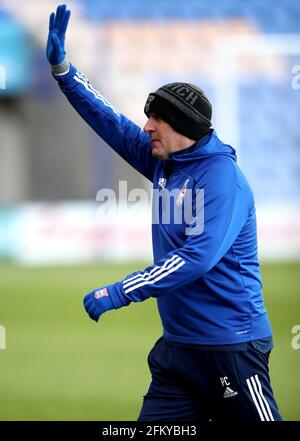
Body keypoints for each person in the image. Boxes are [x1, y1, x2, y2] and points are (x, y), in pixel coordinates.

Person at [46, 4, 282, 421]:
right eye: (149, 116)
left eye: (157, 118)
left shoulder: (222, 179)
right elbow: (108, 119)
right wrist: (65, 71)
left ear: (184, 127)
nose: (148, 125)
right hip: (178, 352)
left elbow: (198, 257)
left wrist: (121, 290)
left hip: (231, 348)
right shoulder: (163, 160)